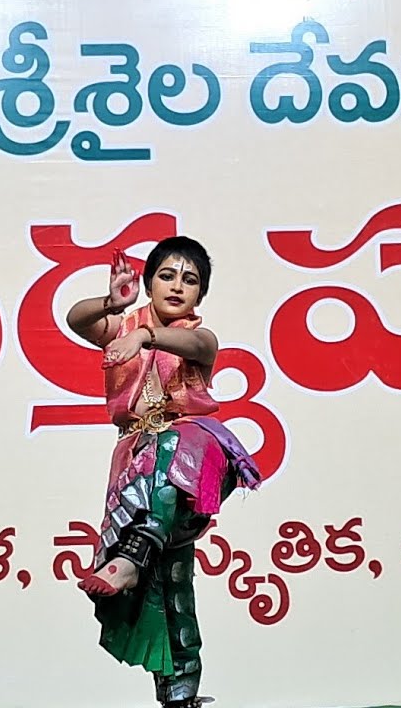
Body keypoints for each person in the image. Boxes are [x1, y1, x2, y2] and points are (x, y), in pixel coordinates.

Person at [66, 236, 263, 708]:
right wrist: (111, 305)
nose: (177, 286)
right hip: (137, 467)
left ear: (201, 294)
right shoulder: (122, 327)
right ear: (149, 282)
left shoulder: (200, 339)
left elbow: (191, 343)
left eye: (189, 280)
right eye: (167, 275)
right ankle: (179, 695)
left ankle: (134, 552)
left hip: (196, 461)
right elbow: (77, 320)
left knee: (176, 442)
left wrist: (145, 337)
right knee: (168, 586)